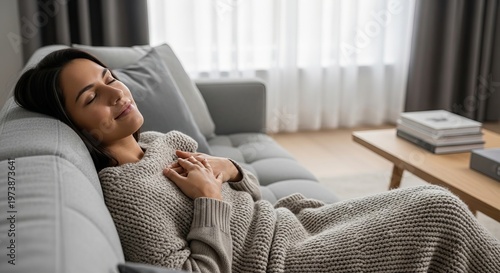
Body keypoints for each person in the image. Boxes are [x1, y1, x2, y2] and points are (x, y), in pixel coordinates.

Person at [14, 48, 500, 273]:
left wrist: (230, 170)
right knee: (440, 213)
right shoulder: (126, 193)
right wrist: (208, 200)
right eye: (92, 95)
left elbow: (245, 190)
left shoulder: (165, 140)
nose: (115, 92)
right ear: (79, 127)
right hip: (280, 263)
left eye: (109, 76)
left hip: (292, 224)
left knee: (431, 197)